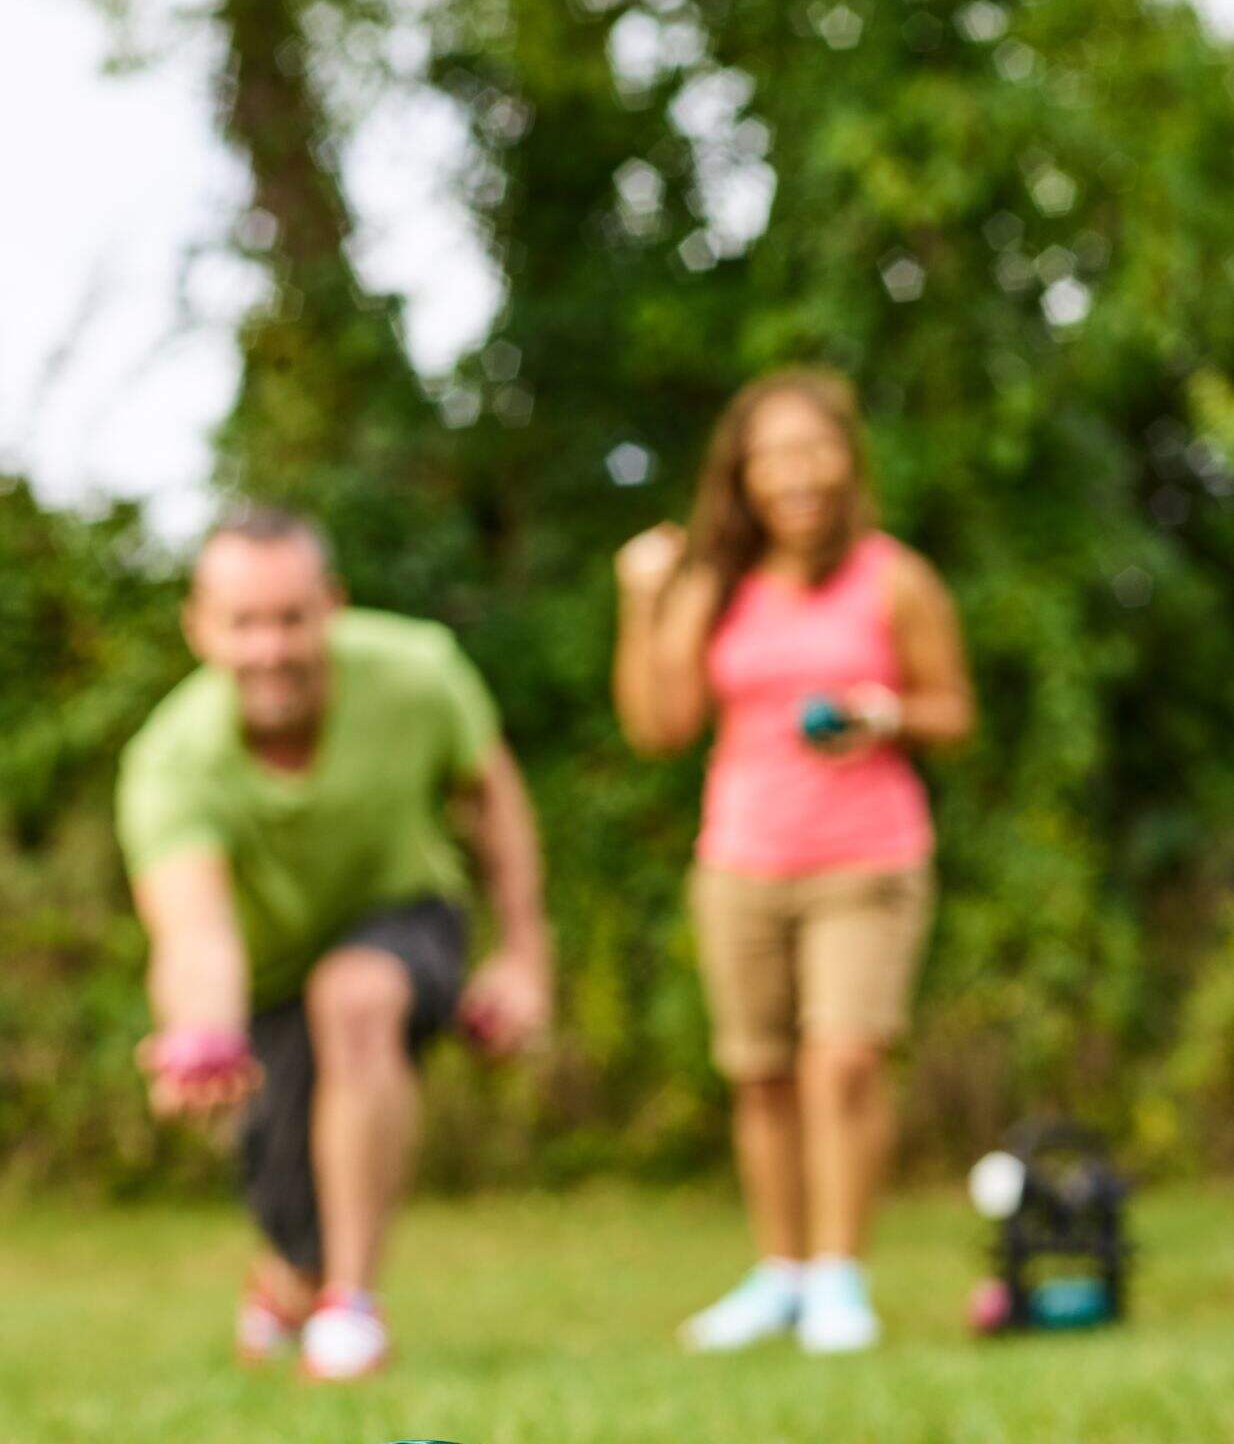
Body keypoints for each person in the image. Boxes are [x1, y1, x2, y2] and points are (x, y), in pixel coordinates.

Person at [116, 507, 554, 1380]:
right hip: (266, 974)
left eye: (291, 618)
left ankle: (351, 1307)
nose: (270, 648)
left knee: (354, 996)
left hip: (406, 913)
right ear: (200, 628)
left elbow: (491, 799)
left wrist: (524, 954)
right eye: (244, 623)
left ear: (333, 606)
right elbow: (195, 928)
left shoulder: (418, 673)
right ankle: (293, 1279)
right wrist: (204, 1035)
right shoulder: (172, 760)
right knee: (291, 1215)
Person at [613, 370, 976, 1353]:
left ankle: (837, 1278)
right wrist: (642, 602)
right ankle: (779, 1273)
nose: (795, 474)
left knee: (844, 1061)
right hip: (741, 859)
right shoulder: (714, 585)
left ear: (847, 461)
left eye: (812, 449)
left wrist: (884, 714)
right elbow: (658, 727)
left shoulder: (893, 578)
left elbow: (953, 708)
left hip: (867, 857)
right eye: (771, 456)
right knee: (761, 1075)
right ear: (741, 477)